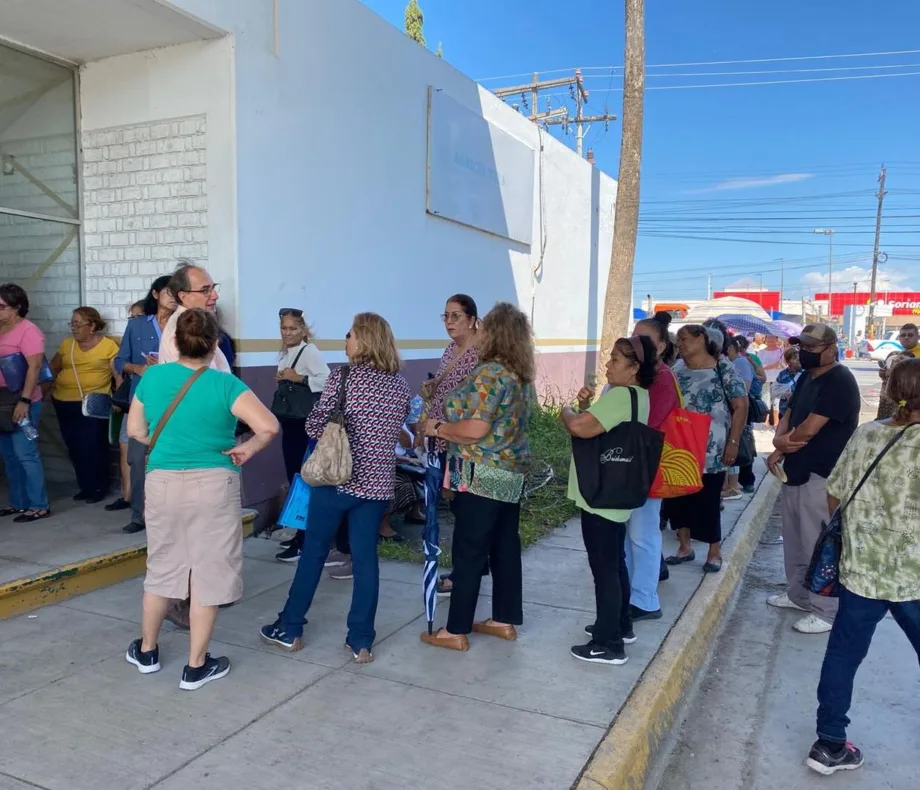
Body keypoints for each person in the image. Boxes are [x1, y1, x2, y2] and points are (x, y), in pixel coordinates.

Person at [124, 309, 279, 690]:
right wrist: (248, 449)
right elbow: (269, 426)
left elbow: (136, 431)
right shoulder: (226, 386)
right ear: (214, 345)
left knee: (161, 567)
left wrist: (168, 446)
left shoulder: (154, 377)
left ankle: (147, 651)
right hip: (213, 482)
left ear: (174, 342)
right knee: (209, 571)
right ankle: (196, 667)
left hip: (162, 481)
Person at [261, 313, 411, 664]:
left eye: (350, 334)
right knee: (366, 561)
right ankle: (361, 640)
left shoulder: (344, 378)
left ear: (365, 340)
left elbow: (314, 426)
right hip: (375, 490)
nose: (345, 341)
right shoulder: (400, 385)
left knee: (313, 552)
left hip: (336, 483)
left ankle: (290, 627)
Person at [805, 358, 920, 776]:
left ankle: (829, 743)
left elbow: (834, 495)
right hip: (914, 577)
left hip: (862, 571)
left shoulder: (868, 435)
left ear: (892, 390)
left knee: (842, 656)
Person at [418, 302, 534, 652]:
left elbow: (475, 428)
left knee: (469, 551)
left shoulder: (489, 374)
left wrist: (437, 426)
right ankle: (503, 619)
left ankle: (454, 630)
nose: (478, 331)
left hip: (480, 474)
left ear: (494, 333)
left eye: (483, 326)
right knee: (503, 547)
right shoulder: (518, 375)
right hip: (509, 474)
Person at [562, 335, 658, 665]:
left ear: (634, 368)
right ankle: (619, 624)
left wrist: (567, 410)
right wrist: (585, 410)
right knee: (615, 563)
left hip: (600, 497)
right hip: (615, 495)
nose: (608, 364)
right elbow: (594, 423)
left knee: (604, 568)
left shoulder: (620, 396)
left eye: (616, 359)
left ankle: (608, 644)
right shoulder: (638, 396)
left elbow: (579, 427)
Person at [766, 324, 860, 634]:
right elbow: (792, 414)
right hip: (796, 471)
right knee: (794, 540)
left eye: (812, 348)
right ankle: (799, 596)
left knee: (817, 543)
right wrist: (779, 444)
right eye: (802, 346)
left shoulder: (840, 382)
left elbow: (809, 429)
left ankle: (826, 610)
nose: (805, 352)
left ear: (832, 348)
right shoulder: (808, 376)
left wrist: (780, 444)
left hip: (822, 475)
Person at [665, 325, 748, 573]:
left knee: (708, 501)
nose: (680, 344)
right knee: (679, 500)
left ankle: (714, 551)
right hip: (681, 447)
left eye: (685, 339)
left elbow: (740, 406)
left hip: (713, 448)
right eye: (678, 339)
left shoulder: (722, 367)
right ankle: (684, 547)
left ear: (702, 339)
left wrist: (733, 442)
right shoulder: (677, 369)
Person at [420, 295, 481, 597]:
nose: (450, 322)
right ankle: (469, 567)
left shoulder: (479, 353)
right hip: (440, 438)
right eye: (445, 316)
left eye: (456, 316)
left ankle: (465, 571)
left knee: (464, 505)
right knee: (456, 505)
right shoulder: (449, 350)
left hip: (462, 441)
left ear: (472, 319)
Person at [623, 313, 680, 622]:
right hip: (636, 464)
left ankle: (644, 599)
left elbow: (646, 423)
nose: (637, 345)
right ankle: (635, 593)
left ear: (660, 346)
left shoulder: (661, 377)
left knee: (642, 534)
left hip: (649, 465)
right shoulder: (644, 375)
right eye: (633, 338)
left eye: (643, 340)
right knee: (633, 534)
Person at [112, 275, 176, 532]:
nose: (174, 297)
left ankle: (171, 516)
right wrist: (138, 368)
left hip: (176, 402)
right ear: (156, 294)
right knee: (137, 459)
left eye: (178, 293)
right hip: (143, 400)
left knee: (172, 458)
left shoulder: (185, 324)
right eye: (170, 292)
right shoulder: (137, 325)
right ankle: (139, 516)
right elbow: (119, 362)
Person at [272, 308, 330, 563]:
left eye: (293, 328)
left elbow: (327, 380)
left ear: (303, 330)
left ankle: (305, 539)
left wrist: (300, 379)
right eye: (284, 328)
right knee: (295, 475)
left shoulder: (310, 352)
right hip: (291, 423)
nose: (288, 333)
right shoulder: (289, 353)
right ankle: (301, 534)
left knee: (302, 478)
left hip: (303, 425)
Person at [49, 307, 119, 503]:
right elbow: (53, 368)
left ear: (92, 326)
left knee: (93, 446)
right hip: (63, 401)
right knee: (74, 446)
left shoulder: (108, 347)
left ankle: (98, 487)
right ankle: (85, 486)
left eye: (77, 324)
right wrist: (41, 393)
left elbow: (118, 375)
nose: (74, 328)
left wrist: (119, 400)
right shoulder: (67, 344)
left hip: (93, 405)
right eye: (72, 324)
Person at [0, 283, 50, 522]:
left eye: (1, 307)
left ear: (17, 307)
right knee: (9, 455)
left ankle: (39, 505)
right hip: (1, 401)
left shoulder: (28, 331)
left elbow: (35, 367)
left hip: (22, 400)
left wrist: (25, 401)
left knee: (25, 454)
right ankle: (18, 503)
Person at [722, 336, 754, 501]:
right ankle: (729, 486)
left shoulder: (740, 363)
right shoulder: (732, 363)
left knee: (734, 448)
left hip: (736, 410)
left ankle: (733, 486)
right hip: (732, 410)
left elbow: (745, 387)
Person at [772, 347, 801, 420]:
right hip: (785, 409)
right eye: (794, 358)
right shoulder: (783, 374)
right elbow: (775, 391)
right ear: (788, 361)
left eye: (799, 357)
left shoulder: (807, 373)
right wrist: (785, 394)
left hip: (801, 409)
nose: (798, 359)